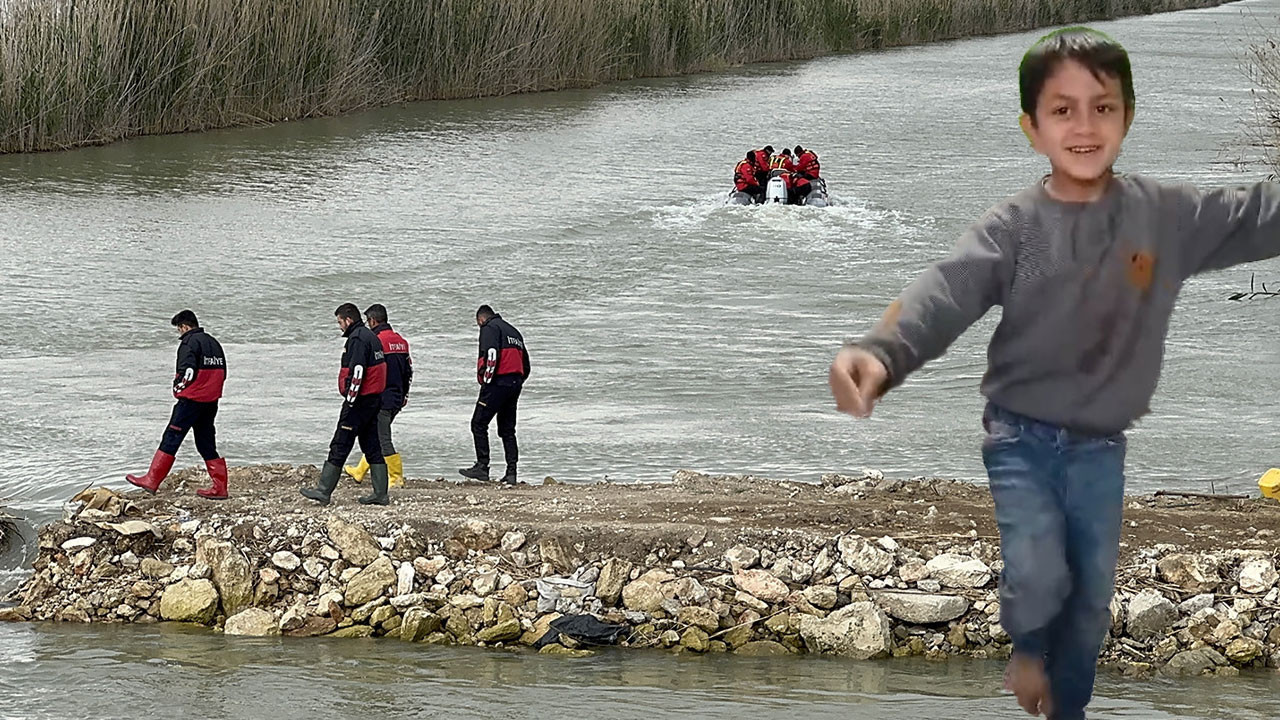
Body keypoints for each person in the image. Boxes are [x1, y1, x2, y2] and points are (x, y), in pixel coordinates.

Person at [827, 27, 1280, 720]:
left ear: (1127, 116)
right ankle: (1029, 647)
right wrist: (883, 351)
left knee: (1090, 599)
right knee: (1040, 568)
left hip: (1101, 443)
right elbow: (946, 291)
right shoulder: (1013, 227)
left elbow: (1254, 217)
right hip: (1022, 437)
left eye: (1103, 108)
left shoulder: (1165, 218)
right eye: (1062, 111)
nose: (1084, 127)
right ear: (1032, 128)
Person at [126, 310, 229, 499]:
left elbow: (187, 371)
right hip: (210, 401)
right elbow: (223, 373)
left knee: (171, 437)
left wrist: (178, 388)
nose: (179, 333)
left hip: (190, 401)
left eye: (179, 329)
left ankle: (152, 480)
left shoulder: (189, 343)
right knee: (206, 443)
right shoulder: (214, 343)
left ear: (184, 326)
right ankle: (220, 487)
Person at [301, 304, 390, 506]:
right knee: (372, 445)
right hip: (374, 400)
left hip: (358, 402)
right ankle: (381, 494)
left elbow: (358, 371)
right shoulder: (371, 336)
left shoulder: (357, 339)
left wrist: (350, 400)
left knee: (340, 444)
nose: (340, 327)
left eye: (340, 322)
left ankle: (324, 490)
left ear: (348, 320)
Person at [459, 305, 530, 485]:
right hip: (515, 383)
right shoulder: (514, 332)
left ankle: (482, 466)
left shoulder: (489, 328)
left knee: (478, 423)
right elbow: (526, 364)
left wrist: (486, 381)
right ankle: (511, 472)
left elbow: (491, 355)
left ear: (480, 319)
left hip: (497, 382)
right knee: (507, 429)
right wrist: (518, 381)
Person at [345, 304, 413, 488]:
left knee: (383, 439)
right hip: (397, 397)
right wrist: (405, 395)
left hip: (382, 398)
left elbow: (371, 371)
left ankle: (396, 477)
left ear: (373, 321)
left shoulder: (376, 341)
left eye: (368, 322)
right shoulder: (401, 341)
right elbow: (408, 371)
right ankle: (360, 470)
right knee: (374, 434)